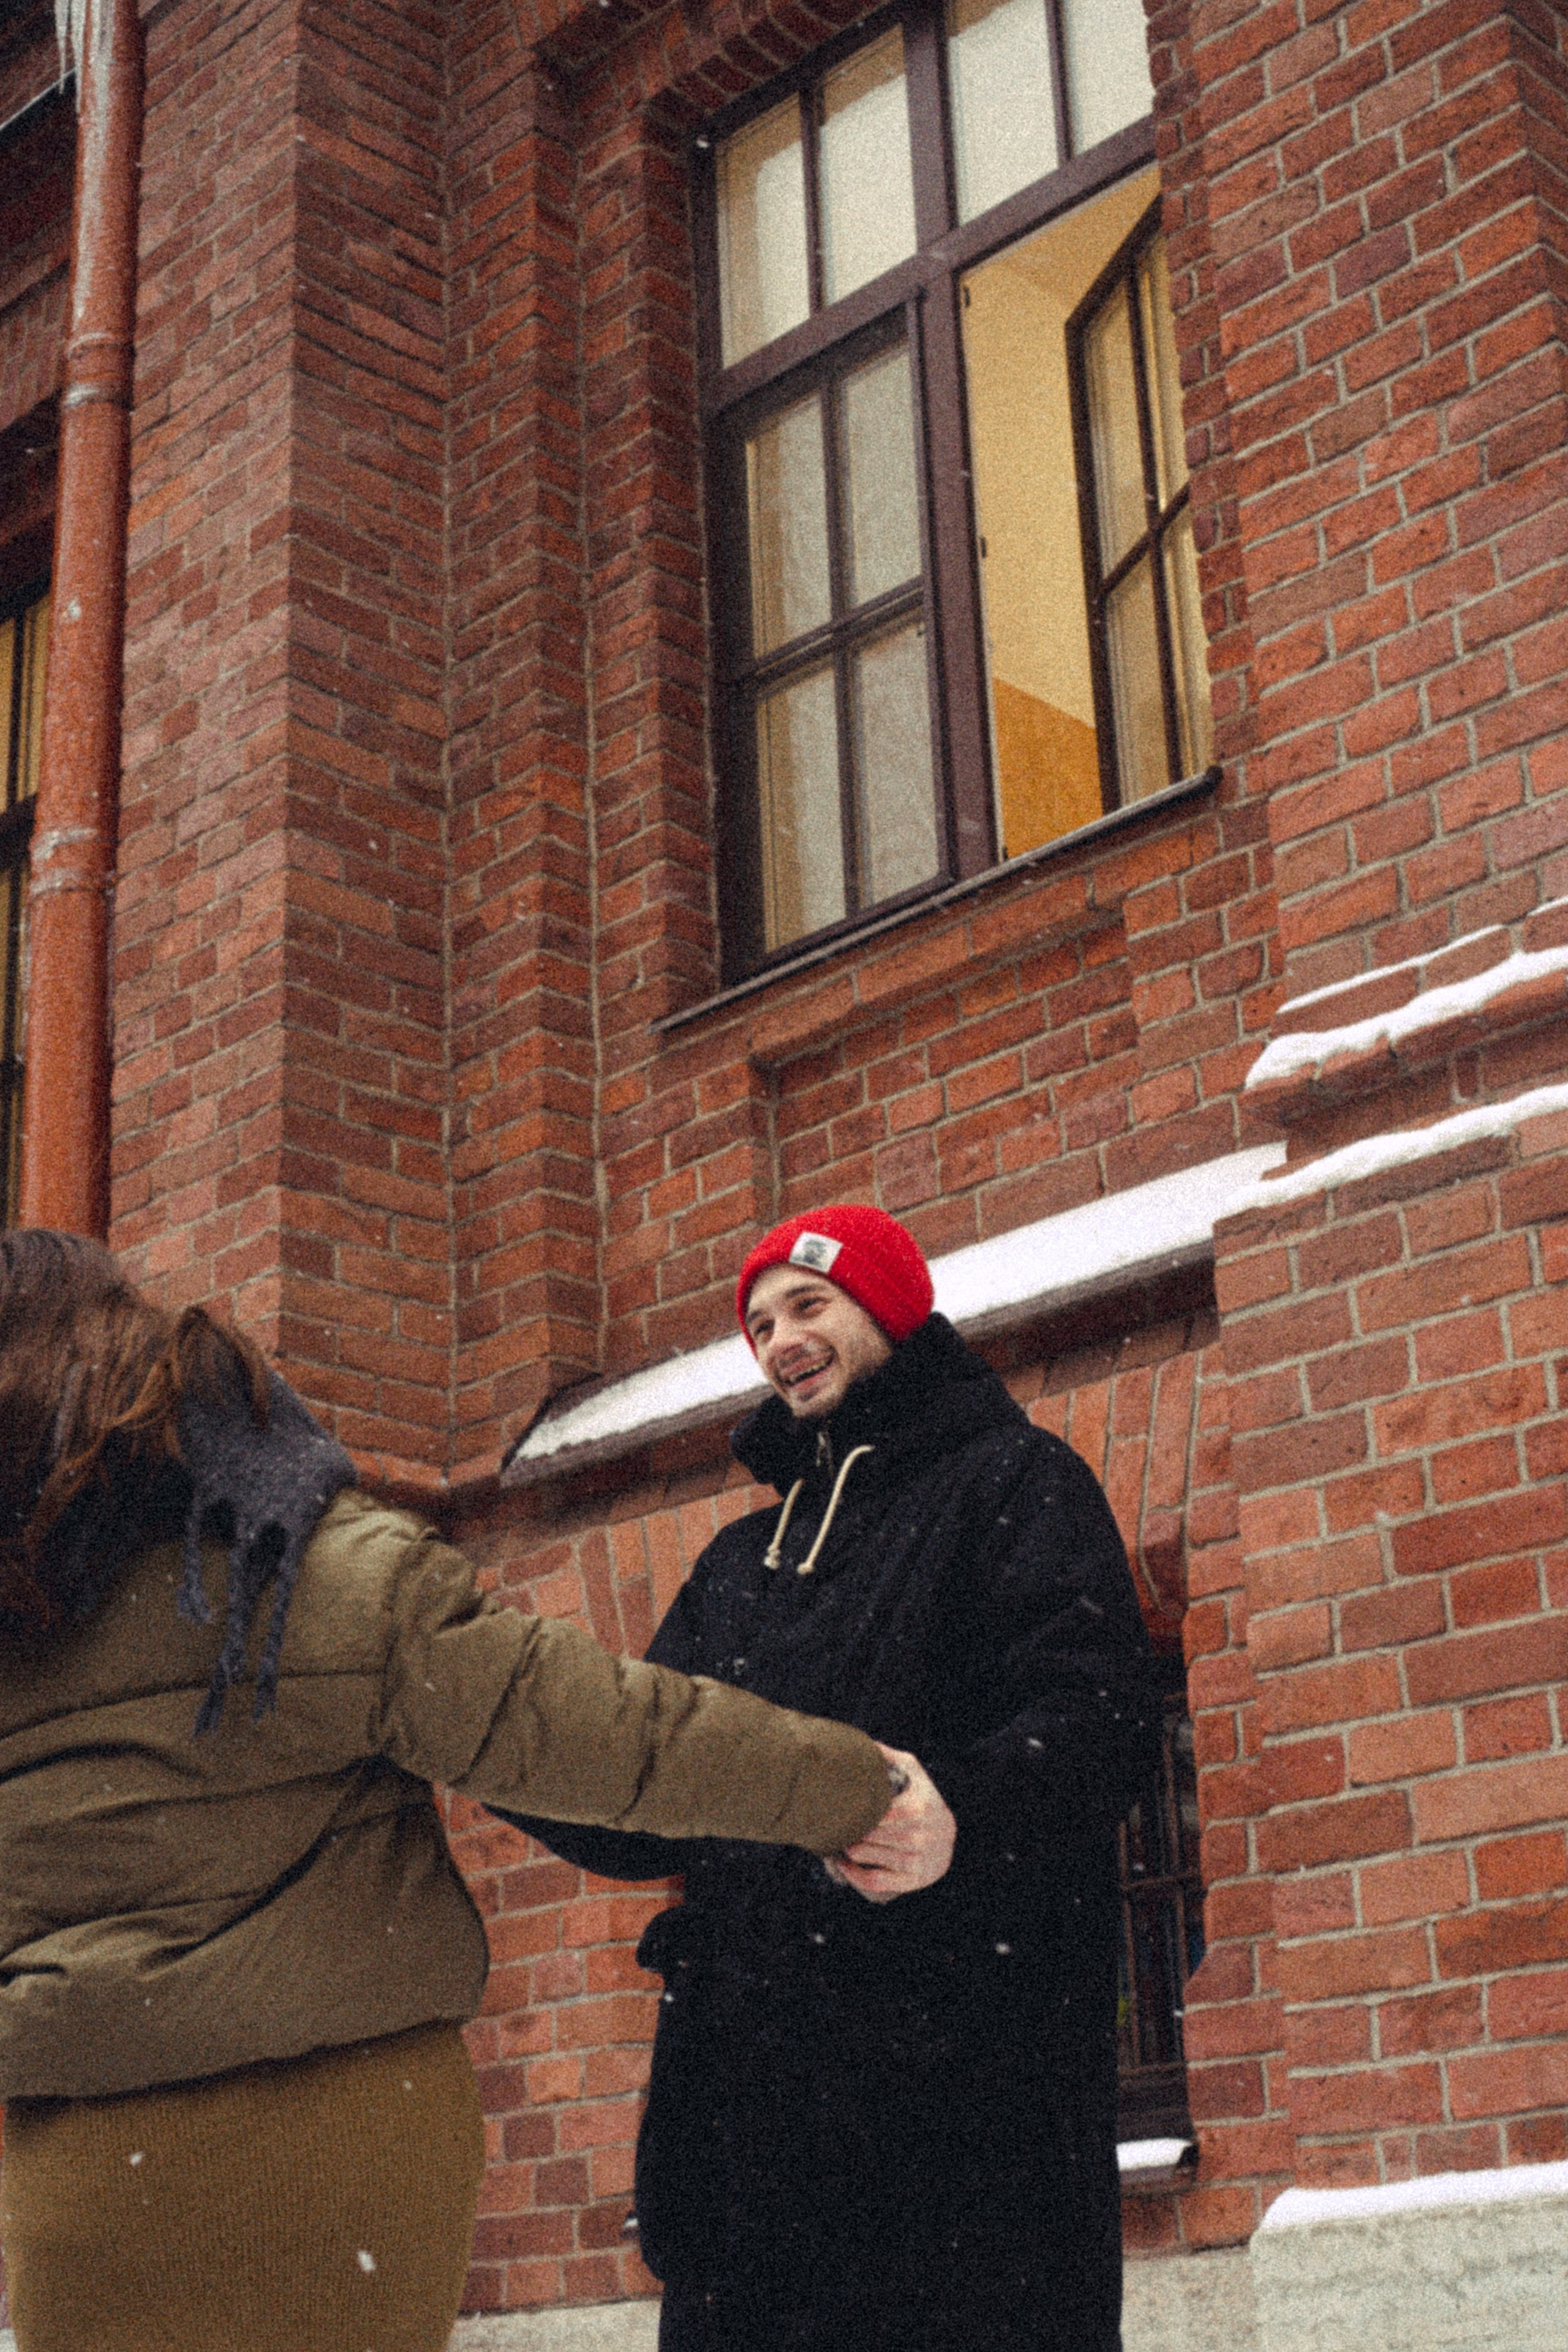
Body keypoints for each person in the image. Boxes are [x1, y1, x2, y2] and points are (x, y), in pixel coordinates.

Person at [0, 1231, 910, 2352]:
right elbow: (599, 1730)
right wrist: (860, 1788)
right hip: (336, 2147)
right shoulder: (295, 1574)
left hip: (76, 2171)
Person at [503, 1204, 1160, 2352]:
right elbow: (647, 1795)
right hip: (745, 2163)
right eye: (760, 1325)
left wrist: (963, 1810)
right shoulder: (736, 1567)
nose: (781, 1341)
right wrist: (486, 1743)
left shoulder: (1015, 1485)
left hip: (963, 2149)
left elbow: (1100, 1721)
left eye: (809, 1305)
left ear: (892, 1310)